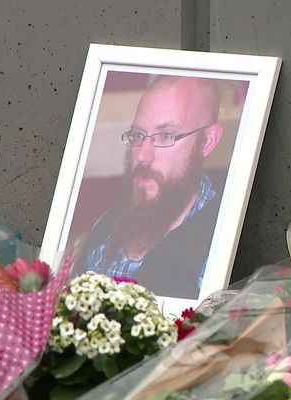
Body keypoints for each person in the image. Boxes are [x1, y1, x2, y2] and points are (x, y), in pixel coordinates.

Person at [77, 75, 224, 299]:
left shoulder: (219, 247)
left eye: (165, 135)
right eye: (138, 135)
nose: (143, 155)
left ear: (206, 141)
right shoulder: (104, 226)